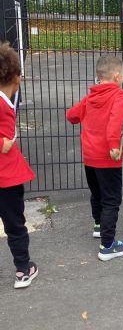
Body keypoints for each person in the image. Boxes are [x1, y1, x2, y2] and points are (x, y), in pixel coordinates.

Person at [66, 55, 123, 261]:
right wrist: (113, 145)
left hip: (90, 156)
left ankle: (99, 225)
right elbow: (115, 122)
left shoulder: (90, 98)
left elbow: (71, 115)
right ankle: (107, 245)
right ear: (116, 76)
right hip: (108, 157)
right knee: (111, 199)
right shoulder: (120, 96)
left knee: (97, 193)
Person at [0, 42, 38, 288]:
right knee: (15, 224)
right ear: (17, 78)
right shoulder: (3, 104)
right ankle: (23, 269)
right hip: (6, 178)